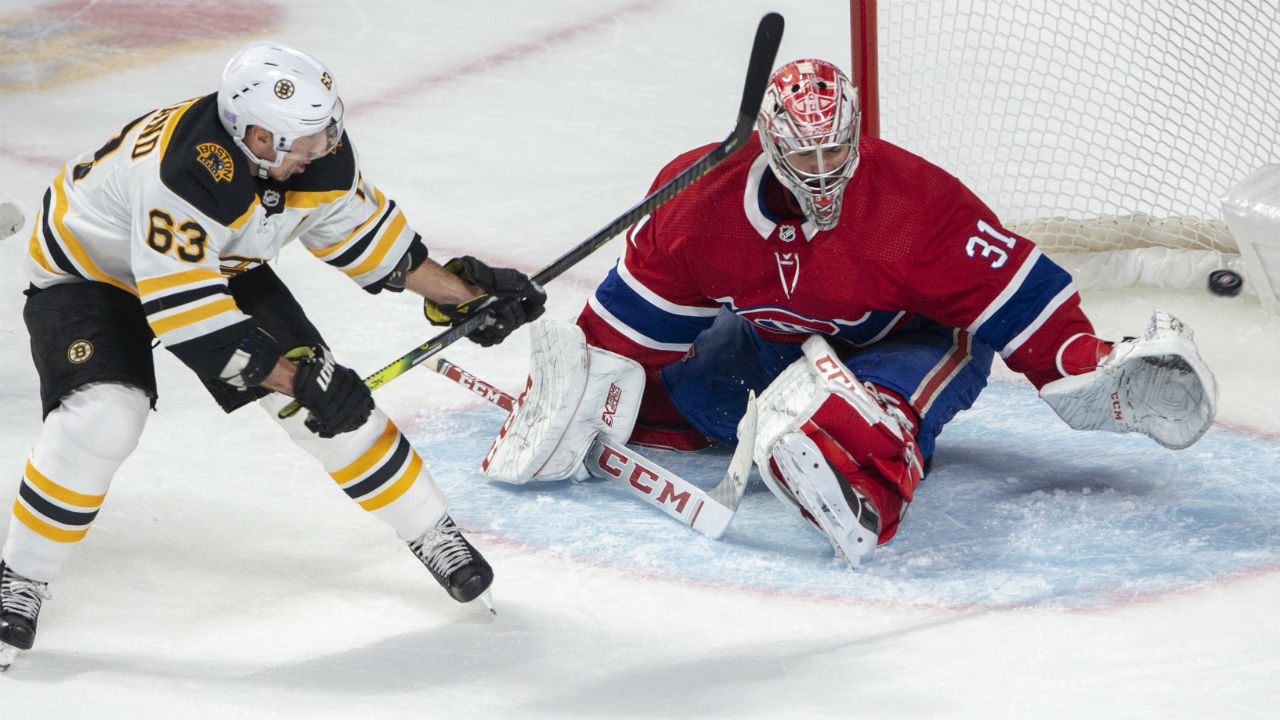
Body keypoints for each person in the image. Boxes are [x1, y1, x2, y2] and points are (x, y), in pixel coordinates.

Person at [480, 58, 1215, 569]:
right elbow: (632, 325)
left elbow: (1018, 296)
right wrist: (582, 390)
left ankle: (857, 483)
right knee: (680, 399)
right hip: (776, 339)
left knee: (862, 419)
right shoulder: (697, 203)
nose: (826, 175)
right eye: (807, 157)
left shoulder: (914, 204)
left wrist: (1084, 367)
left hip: (913, 338)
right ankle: (801, 431)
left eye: (838, 151)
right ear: (770, 142)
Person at [0, 40, 546, 669]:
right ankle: (22, 575)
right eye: (306, 141)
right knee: (105, 417)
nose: (322, 151)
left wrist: (464, 296)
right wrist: (300, 380)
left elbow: (364, 238)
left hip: (219, 261)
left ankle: (434, 532)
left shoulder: (309, 154)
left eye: (326, 132)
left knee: (328, 412)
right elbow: (194, 326)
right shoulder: (187, 174)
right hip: (90, 275)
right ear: (257, 136)